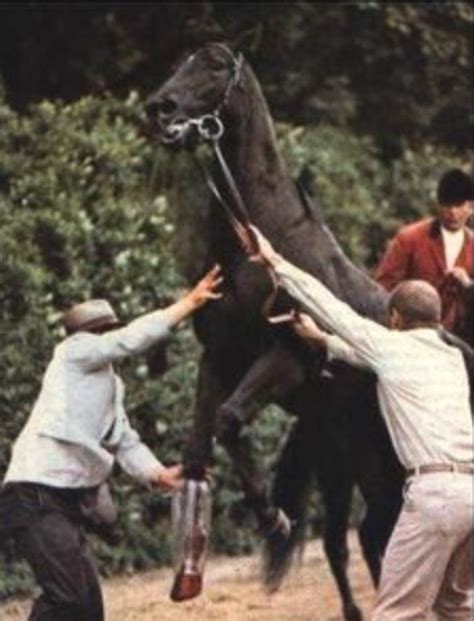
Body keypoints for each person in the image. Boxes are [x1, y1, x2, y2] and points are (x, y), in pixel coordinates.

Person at [247, 225, 473, 621]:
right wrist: (324, 341)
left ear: (395, 318)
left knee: (394, 614)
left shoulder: (391, 345)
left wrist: (274, 259)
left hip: (434, 498)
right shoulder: (450, 357)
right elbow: (376, 359)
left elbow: (332, 308)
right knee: (455, 606)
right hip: (471, 494)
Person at [0, 265, 222, 621]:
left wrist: (159, 474)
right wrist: (189, 303)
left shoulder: (109, 385)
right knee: (68, 598)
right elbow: (127, 341)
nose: (108, 337)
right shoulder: (72, 353)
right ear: (86, 335)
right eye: (104, 332)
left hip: (65, 501)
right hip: (34, 494)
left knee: (88, 609)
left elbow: (124, 441)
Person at [375, 168, 474, 345]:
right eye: (446, 204)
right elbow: (384, 288)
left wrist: (467, 285)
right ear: (438, 205)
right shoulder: (409, 238)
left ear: (471, 207)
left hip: (458, 344)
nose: (452, 212)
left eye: (458, 205)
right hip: (410, 338)